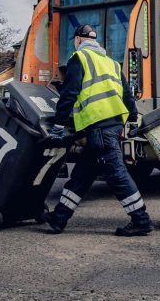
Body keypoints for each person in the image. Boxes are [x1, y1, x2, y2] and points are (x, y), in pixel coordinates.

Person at [43, 24, 153, 237]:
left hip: (98, 126)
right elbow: (127, 94)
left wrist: (58, 124)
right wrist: (131, 119)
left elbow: (70, 93)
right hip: (111, 125)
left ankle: (141, 219)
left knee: (117, 174)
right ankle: (59, 218)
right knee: (82, 175)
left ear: (78, 39)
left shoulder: (79, 58)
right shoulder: (111, 63)